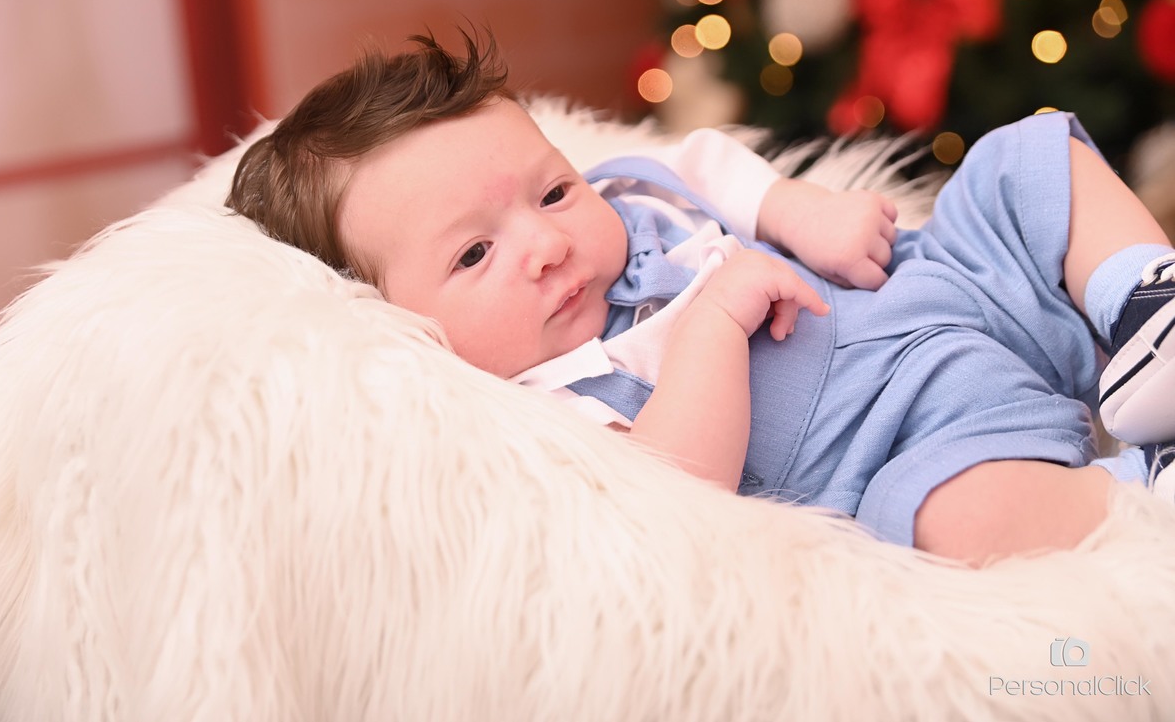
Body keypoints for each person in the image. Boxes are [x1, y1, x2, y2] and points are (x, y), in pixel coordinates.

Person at [227, 30, 1175, 566]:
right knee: (949, 522)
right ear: (398, 322)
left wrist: (800, 211)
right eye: (475, 253)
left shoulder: (623, 197)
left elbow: (701, 163)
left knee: (1029, 157)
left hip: (941, 281)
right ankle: (1137, 488)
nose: (548, 245)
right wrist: (716, 319)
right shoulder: (553, 404)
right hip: (920, 438)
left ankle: (1146, 313)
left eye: (551, 192)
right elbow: (677, 485)